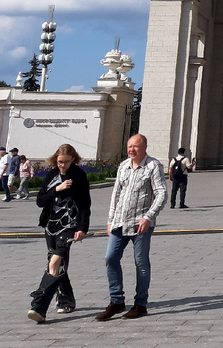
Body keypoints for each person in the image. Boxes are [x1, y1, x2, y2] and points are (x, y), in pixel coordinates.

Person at [97, 134, 167, 321]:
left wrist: (149, 217)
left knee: (141, 262)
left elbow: (161, 194)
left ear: (144, 146)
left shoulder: (153, 166)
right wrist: (110, 219)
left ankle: (140, 304)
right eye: (129, 146)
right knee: (110, 258)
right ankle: (116, 300)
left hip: (140, 224)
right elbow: (116, 194)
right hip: (120, 221)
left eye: (135, 146)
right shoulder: (123, 166)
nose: (131, 149)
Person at [27, 143, 91, 322]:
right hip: (51, 225)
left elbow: (85, 205)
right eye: (59, 161)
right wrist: (57, 189)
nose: (62, 165)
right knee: (58, 264)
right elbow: (40, 201)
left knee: (54, 262)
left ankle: (39, 306)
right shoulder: (52, 175)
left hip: (69, 226)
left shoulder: (79, 176)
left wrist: (82, 228)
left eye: (66, 162)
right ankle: (66, 300)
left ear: (73, 160)